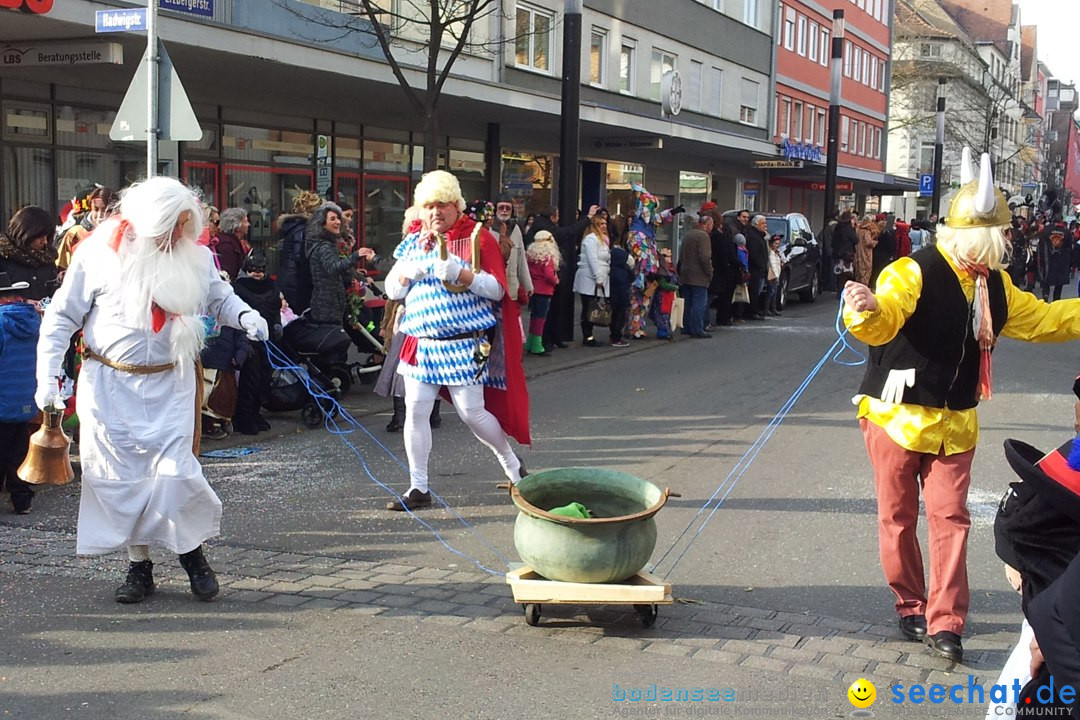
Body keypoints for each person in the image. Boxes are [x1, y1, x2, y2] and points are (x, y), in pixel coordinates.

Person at [842, 150, 1080, 663]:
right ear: (985, 236)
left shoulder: (995, 283)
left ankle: (945, 621)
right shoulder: (912, 271)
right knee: (898, 518)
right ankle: (910, 603)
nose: (1010, 243)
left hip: (956, 422)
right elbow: (884, 321)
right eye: (1005, 235)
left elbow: (1042, 320)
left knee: (952, 517)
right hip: (896, 416)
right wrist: (865, 310)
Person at [34, 176, 269, 603]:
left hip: (171, 384)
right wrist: (48, 378)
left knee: (175, 476)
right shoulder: (98, 253)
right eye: (169, 228)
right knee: (120, 480)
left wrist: (246, 315)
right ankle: (138, 566)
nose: (176, 237)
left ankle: (191, 554)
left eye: (183, 227)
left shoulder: (194, 256)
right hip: (109, 388)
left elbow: (219, 296)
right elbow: (61, 319)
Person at [383, 170, 530, 511]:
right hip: (420, 342)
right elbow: (392, 289)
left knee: (472, 413)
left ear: (456, 206)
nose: (436, 213)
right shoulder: (414, 240)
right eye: (430, 206)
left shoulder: (479, 238)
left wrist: (462, 274)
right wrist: (408, 274)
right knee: (415, 413)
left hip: (464, 343)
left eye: (443, 205)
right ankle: (418, 487)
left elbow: (497, 290)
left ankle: (512, 465)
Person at [0, 206, 59, 515]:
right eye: (41, 235)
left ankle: (24, 482)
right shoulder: (4, 255)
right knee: (15, 429)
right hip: (17, 340)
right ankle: (20, 487)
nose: (45, 242)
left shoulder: (47, 261)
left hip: (38, 339)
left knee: (19, 427)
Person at [525, 205, 596, 350]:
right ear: (553, 216)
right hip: (545, 283)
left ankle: (551, 337)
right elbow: (566, 233)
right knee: (544, 314)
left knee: (548, 311)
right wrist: (587, 219)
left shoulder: (540, 226)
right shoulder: (545, 231)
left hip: (542, 282)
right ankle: (544, 341)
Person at [232, 252, 281, 436]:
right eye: (253, 270)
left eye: (260, 270)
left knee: (264, 379)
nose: (257, 274)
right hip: (248, 341)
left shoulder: (271, 286)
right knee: (250, 380)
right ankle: (243, 417)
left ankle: (255, 413)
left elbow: (275, 308)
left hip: (269, 341)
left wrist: (277, 324)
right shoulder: (239, 288)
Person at [305, 202, 374, 327]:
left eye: (338, 218)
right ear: (322, 223)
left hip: (328, 304)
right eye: (332, 219)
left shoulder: (326, 244)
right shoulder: (324, 246)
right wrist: (356, 255)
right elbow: (333, 268)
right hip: (327, 305)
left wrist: (361, 278)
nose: (338, 222)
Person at [277, 190, 323, 314]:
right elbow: (302, 257)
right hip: (297, 285)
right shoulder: (303, 230)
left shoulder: (293, 227)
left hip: (289, 282)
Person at [573, 214, 611, 347]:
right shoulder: (591, 239)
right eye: (601, 224)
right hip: (589, 278)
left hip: (598, 278)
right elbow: (592, 259)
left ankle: (590, 334)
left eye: (605, 224)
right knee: (589, 308)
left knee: (592, 307)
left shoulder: (602, 240)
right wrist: (598, 277)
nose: (604, 226)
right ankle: (587, 336)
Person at [524, 230, 560, 356]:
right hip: (545, 290)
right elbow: (549, 275)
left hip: (533, 288)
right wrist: (556, 281)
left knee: (534, 317)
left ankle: (530, 342)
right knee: (541, 319)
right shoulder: (548, 257)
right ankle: (537, 345)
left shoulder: (530, 255)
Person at [679, 214, 713, 337]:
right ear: (707, 224)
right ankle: (697, 328)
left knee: (688, 302)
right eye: (711, 225)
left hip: (686, 273)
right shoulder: (703, 237)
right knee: (699, 302)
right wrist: (709, 272)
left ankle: (686, 326)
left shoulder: (688, 235)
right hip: (699, 275)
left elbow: (682, 254)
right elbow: (705, 257)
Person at [608, 232, 634, 348]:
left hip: (613, 297)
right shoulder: (623, 271)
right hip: (621, 298)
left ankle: (614, 335)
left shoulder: (611, 270)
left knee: (615, 316)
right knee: (619, 317)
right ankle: (616, 337)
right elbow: (630, 278)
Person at [215, 208, 249, 282]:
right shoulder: (227, 246)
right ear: (237, 226)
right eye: (245, 221)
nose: (248, 224)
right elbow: (230, 274)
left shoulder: (234, 242)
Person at [746, 215, 770, 320]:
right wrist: (760, 266)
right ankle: (751, 312)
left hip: (760, 269)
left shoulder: (761, 236)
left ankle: (755, 311)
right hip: (755, 269)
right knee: (754, 291)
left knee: (757, 291)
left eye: (765, 223)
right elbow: (754, 254)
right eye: (763, 223)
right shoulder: (753, 236)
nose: (765, 225)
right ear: (756, 225)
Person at [1038, 228, 1070, 302]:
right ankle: (1056, 299)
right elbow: (1069, 248)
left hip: (1048, 260)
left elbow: (1041, 246)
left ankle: (1045, 295)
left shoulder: (1046, 231)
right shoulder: (1067, 232)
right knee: (1059, 282)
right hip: (1061, 261)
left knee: (1046, 279)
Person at [765, 233, 784, 317]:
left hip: (777, 275)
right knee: (770, 292)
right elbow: (772, 264)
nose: (777, 245)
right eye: (775, 243)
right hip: (772, 275)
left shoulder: (777, 253)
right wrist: (775, 276)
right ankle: (767, 309)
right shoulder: (770, 254)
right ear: (771, 243)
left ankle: (773, 308)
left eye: (778, 244)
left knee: (774, 293)